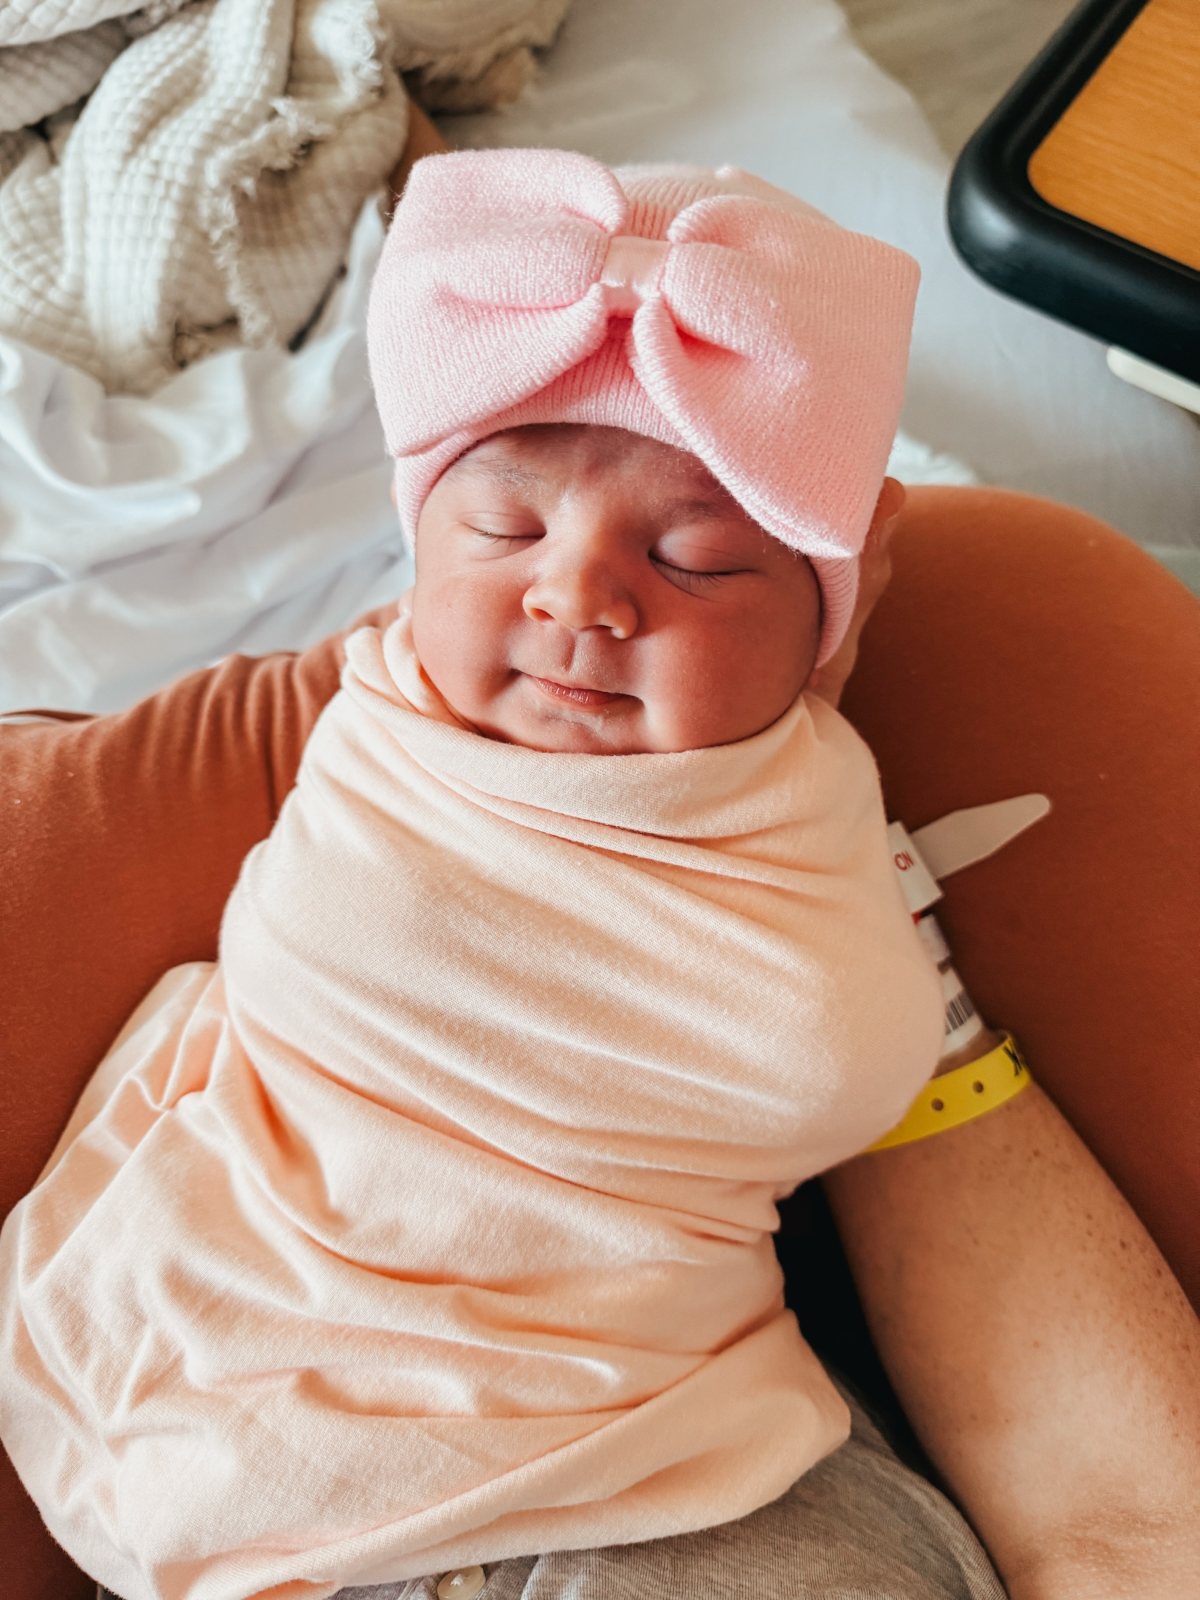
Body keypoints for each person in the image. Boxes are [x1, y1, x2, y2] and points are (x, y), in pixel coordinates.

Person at [2, 148, 1199, 1600]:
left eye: (695, 562)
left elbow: (833, 1052)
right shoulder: (385, 727)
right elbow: (337, 954)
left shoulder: (802, 815)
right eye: (504, 528)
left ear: (828, 619)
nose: (577, 596)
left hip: (635, 1432)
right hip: (261, 1341)